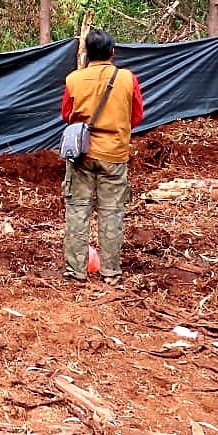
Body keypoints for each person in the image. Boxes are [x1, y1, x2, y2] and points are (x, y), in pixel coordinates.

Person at [60, 28, 144, 285]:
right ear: (112, 52)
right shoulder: (128, 79)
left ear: (86, 52)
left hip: (81, 155)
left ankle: (76, 271)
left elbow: (66, 115)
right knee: (111, 212)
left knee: (77, 211)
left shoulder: (73, 79)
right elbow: (137, 115)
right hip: (115, 154)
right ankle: (110, 272)